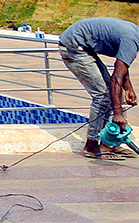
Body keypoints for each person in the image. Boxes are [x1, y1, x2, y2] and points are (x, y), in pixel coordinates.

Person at [59, 17, 139, 158]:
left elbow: (122, 66)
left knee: (114, 93)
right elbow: (116, 78)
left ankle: (108, 144)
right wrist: (118, 114)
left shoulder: (134, 35)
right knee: (103, 95)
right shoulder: (132, 41)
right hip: (73, 47)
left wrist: (128, 89)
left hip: (84, 45)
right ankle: (91, 145)